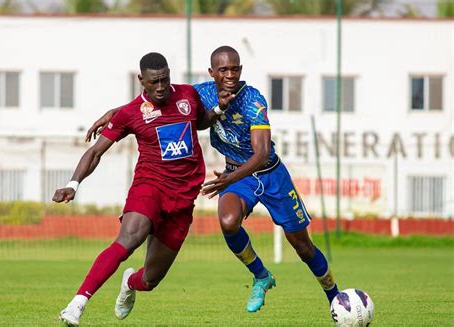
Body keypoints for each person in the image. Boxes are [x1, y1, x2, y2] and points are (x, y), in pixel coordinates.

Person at [86, 46, 339, 314]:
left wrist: (229, 178)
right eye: (224, 70)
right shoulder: (202, 93)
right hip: (237, 176)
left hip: (271, 174)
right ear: (212, 73)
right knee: (229, 222)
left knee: (302, 245)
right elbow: (156, 98)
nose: (230, 74)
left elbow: (262, 153)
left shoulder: (253, 101)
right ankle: (261, 276)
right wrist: (115, 113)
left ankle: (335, 297)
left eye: (235, 69)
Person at [53, 52, 223, 326]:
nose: (160, 87)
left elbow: (199, 119)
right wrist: (73, 184)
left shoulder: (188, 95)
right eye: (154, 81)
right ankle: (77, 303)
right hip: (150, 185)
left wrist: (217, 112)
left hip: (183, 198)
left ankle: (129, 284)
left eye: (165, 80)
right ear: (141, 80)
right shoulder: (130, 114)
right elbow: (96, 152)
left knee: (150, 279)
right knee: (130, 237)